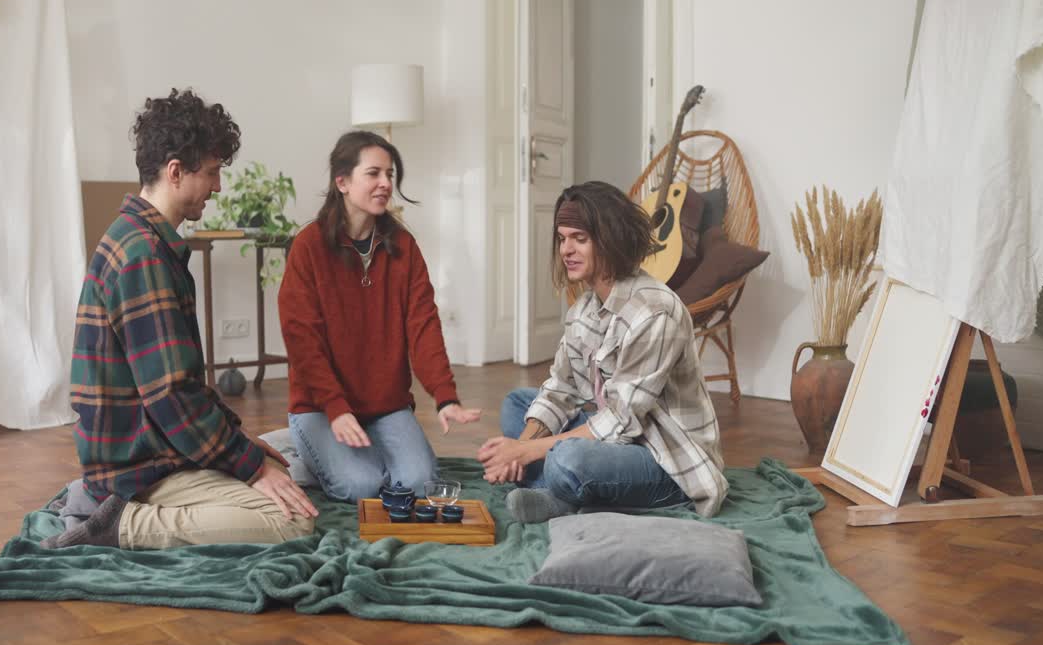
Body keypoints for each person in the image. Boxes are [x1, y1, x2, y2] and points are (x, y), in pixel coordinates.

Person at [41, 88, 317, 550]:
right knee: (292, 520)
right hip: (142, 465)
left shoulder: (137, 237)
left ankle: (97, 499)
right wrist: (248, 465)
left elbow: (178, 388)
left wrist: (241, 444)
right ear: (175, 172)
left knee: (286, 449)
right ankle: (120, 525)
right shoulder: (144, 255)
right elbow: (173, 398)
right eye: (211, 173)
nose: (218, 187)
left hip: (147, 449)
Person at [478, 181, 728, 522]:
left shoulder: (655, 311)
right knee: (518, 404)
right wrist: (519, 449)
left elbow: (622, 420)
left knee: (568, 459)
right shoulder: (584, 309)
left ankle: (563, 497)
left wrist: (526, 452)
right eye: (562, 238)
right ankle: (565, 489)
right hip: (617, 438)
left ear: (610, 240)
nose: (566, 249)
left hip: (666, 458)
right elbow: (561, 389)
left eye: (579, 238)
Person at [278, 131, 481, 502]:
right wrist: (336, 409)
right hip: (322, 408)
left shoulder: (404, 247)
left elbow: (423, 327)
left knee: (419, 484)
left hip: (385, 406)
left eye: (390, 174)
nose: (386, 184)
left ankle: (346, 453)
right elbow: (301, 339)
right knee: (362, 485)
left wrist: (445, 396)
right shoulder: (308, 247)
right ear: (342, 181)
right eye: (373, 174)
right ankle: (298, 446)